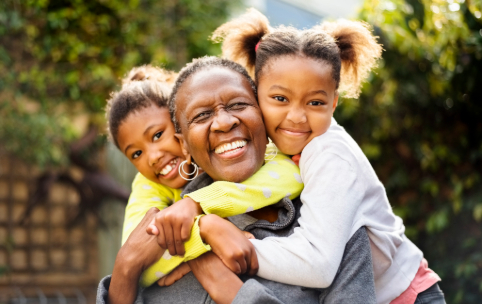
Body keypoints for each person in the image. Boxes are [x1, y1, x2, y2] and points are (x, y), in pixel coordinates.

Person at [211, 8, 445, 304]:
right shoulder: (276, 148)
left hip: (407, 297)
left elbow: (318, 265)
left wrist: (246, 249)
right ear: (256, 94)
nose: (296, 117)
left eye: (315, 102)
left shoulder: (328, 154)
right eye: (280, 99)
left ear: (333, 103)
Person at [97, 56, 377, 304]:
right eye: (202, 115)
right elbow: (133, 256)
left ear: (264, 116)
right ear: (184, 144)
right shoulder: (167, 230)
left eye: (239, 104)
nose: (223, 122)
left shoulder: (332, 224)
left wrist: (231, 291)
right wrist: (127, 267)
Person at [104, 64, 303, 288]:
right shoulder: (148, 184)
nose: (152, 157)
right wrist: (203, 237)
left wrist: (198, 205)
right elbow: (136, 254)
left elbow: (292, 175)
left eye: (158, 135)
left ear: (181, 124)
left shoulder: (248, 148)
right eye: (136, 153)